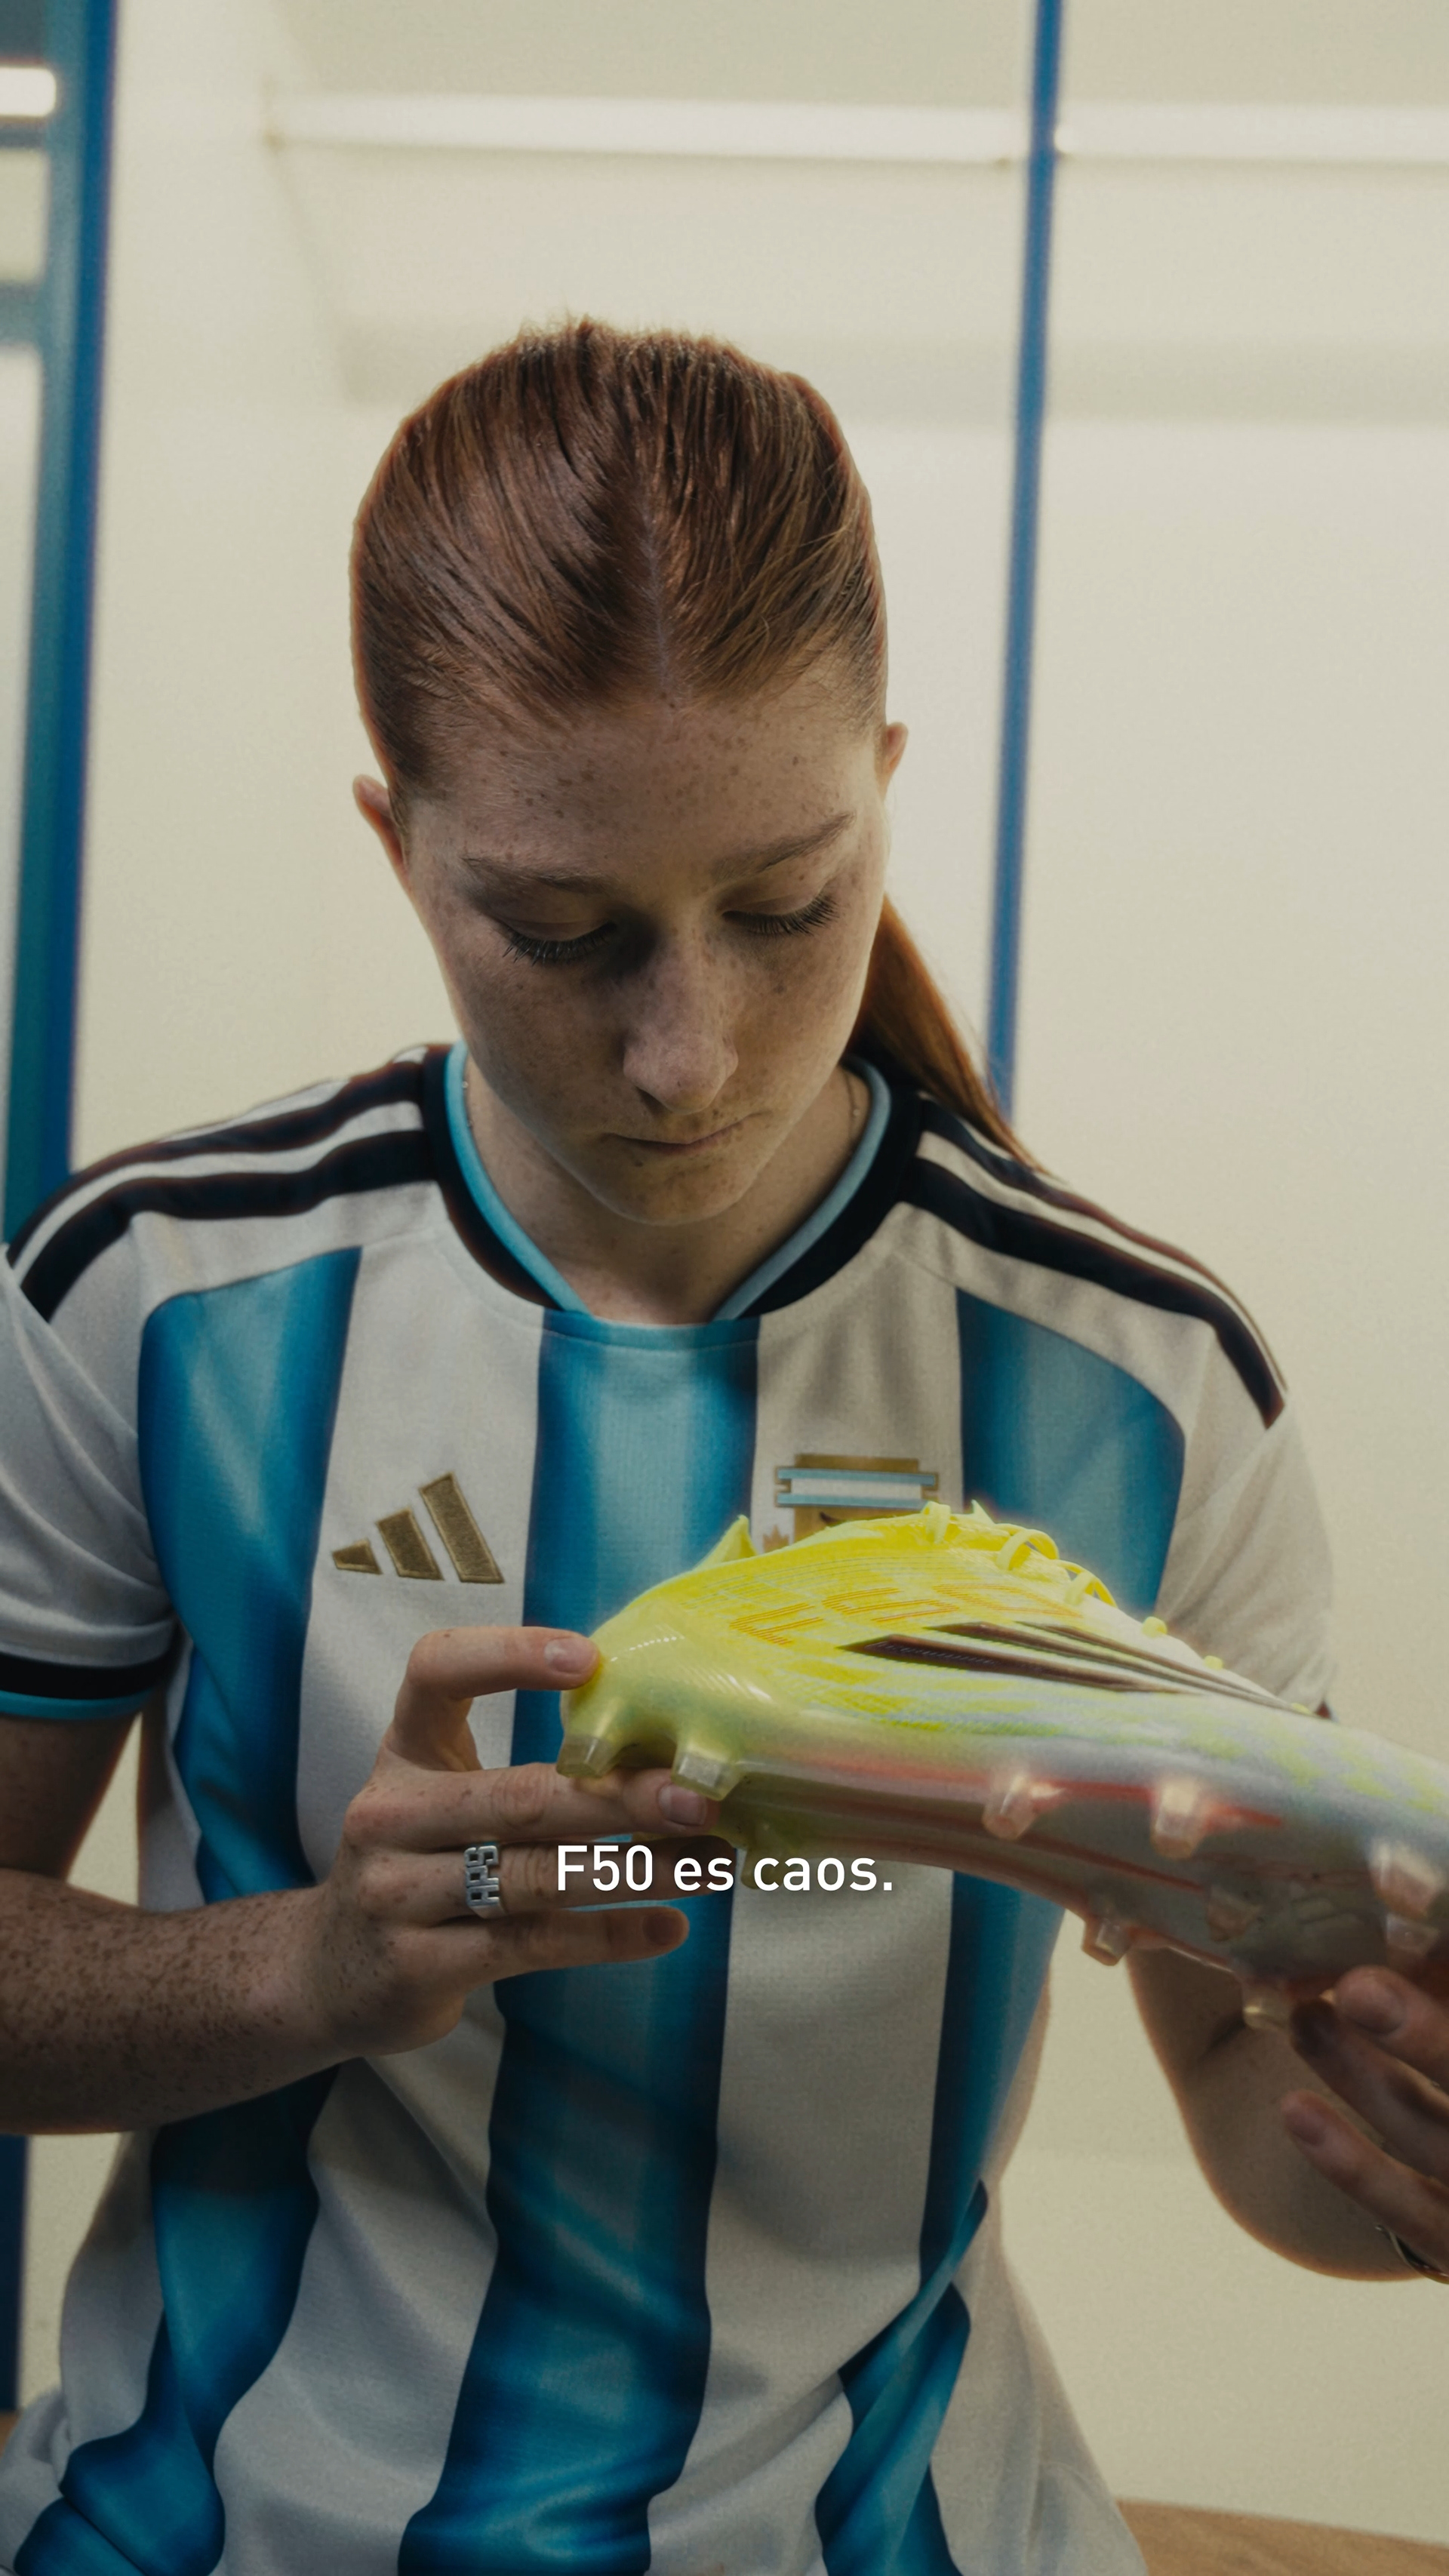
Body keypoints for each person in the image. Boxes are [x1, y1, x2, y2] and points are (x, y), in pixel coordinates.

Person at [0, 319, 1441, 2576]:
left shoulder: (1139, 1378)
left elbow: (1262, 2108)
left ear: (884, 785)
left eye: (787, 906)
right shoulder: (151, 1293)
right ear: (398, 846)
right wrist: (309, 1970)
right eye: (561, 930)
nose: (691, 1053)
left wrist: (1408, 2164)